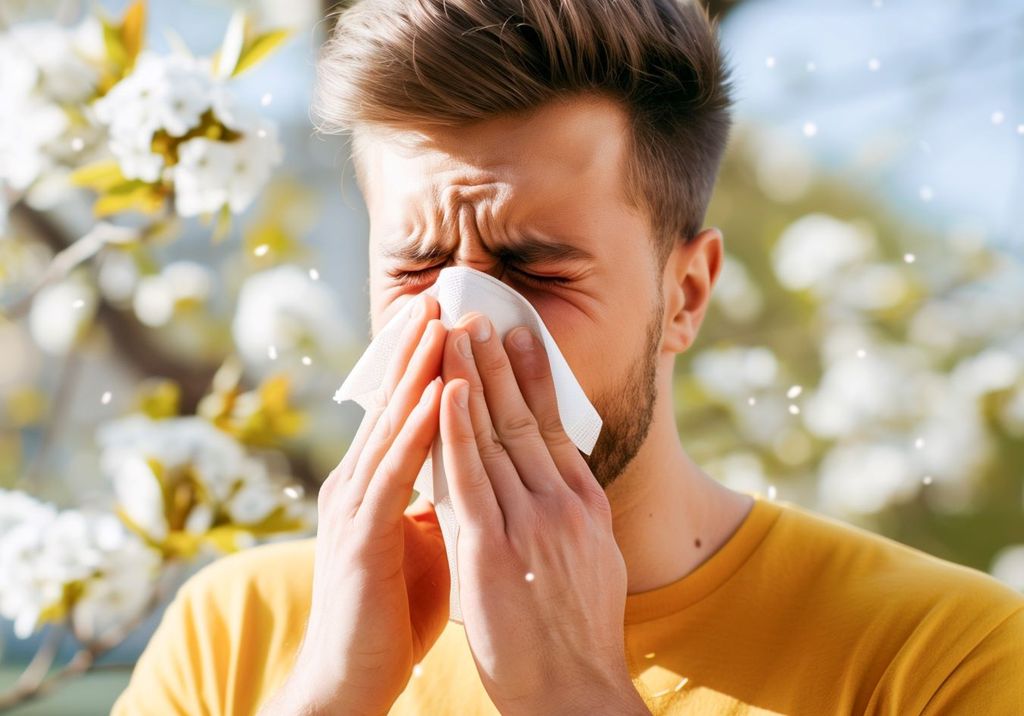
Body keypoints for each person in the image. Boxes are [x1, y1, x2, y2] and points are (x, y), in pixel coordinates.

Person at [112, 0, 1024, 714]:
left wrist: (573, 699)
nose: (459, 324)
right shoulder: (236, 632)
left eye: (533, 267)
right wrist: (328, 698)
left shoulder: (942, 658)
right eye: (416, 265)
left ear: (686, 295)